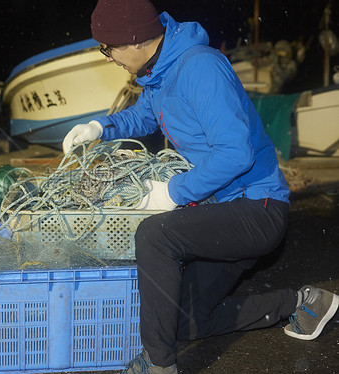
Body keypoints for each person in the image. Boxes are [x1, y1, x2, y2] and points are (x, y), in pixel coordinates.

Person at [62, 1, 339, 373]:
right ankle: (303, 303)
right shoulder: (161, 71)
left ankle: (158, 364)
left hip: (258, 208)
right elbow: (144, 115)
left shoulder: (200, 67)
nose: (108, 57)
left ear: (133, 40)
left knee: (155, 235)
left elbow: (236, 153)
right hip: (222, 207)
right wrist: (100, 128)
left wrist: (171, 192)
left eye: (107, 48)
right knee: (181, 321)